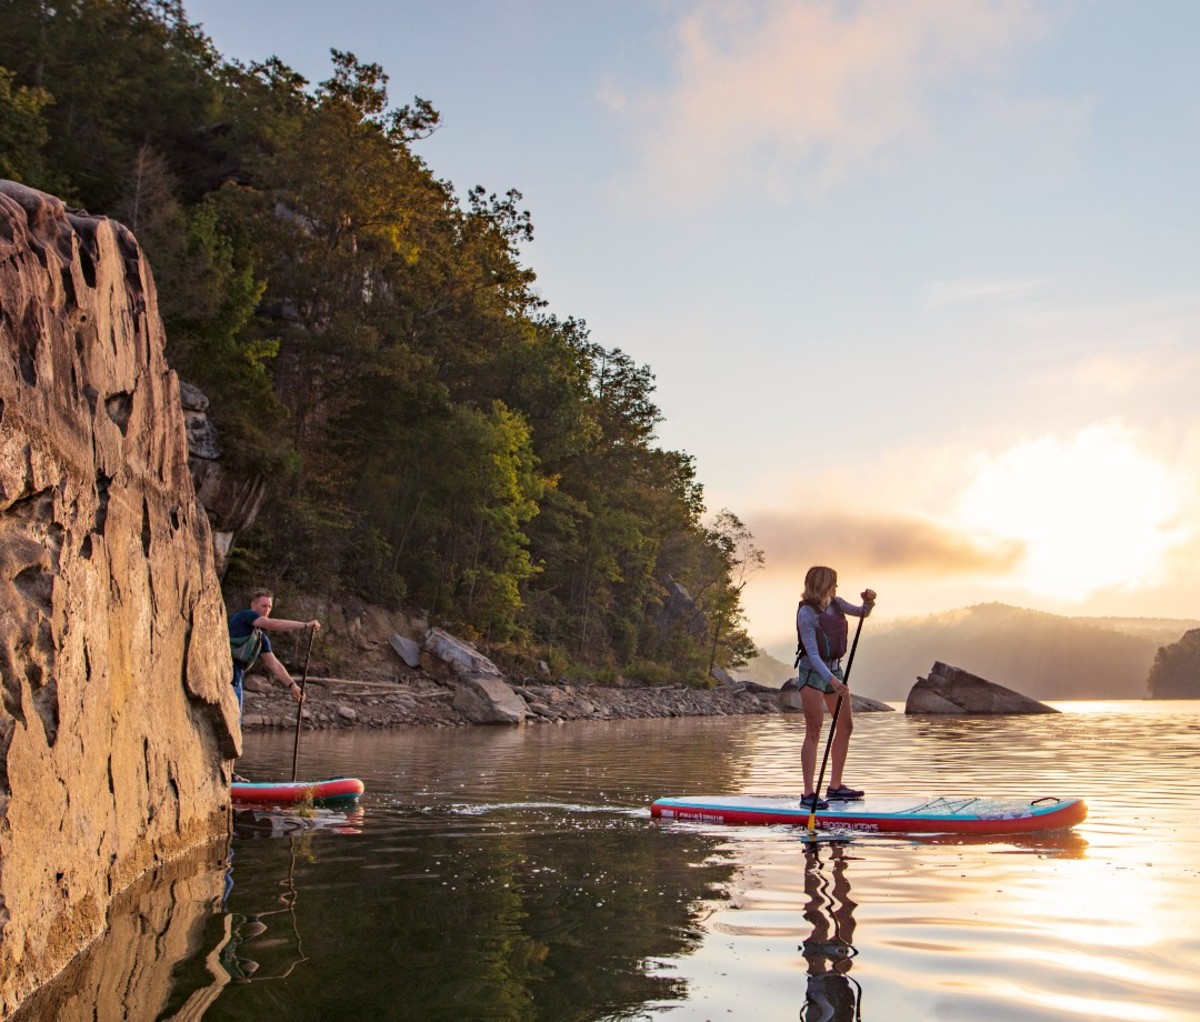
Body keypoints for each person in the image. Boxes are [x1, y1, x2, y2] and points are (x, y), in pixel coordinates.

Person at [793, 566, 875, 809]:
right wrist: (831, 680)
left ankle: (835, 787)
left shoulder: (836, 603)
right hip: (812, 672)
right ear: (822, 584)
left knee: (846, 726)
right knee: (814, 730)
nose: (836, 587)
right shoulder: (806, 613)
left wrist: (868, 602)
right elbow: (813, 653)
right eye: (833, 583)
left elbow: (862, 613)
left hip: (835, 670)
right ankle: (808, 793)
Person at [228, 589, 320, 713]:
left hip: (237, 680)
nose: (267, 610)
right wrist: (305, 625)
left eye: (270, 607)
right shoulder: (245, 616)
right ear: (253, 605)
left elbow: (274, 664)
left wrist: (292, 685)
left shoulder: (261, 639)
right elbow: (273, 624)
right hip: (226, 675)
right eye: (264, 606)